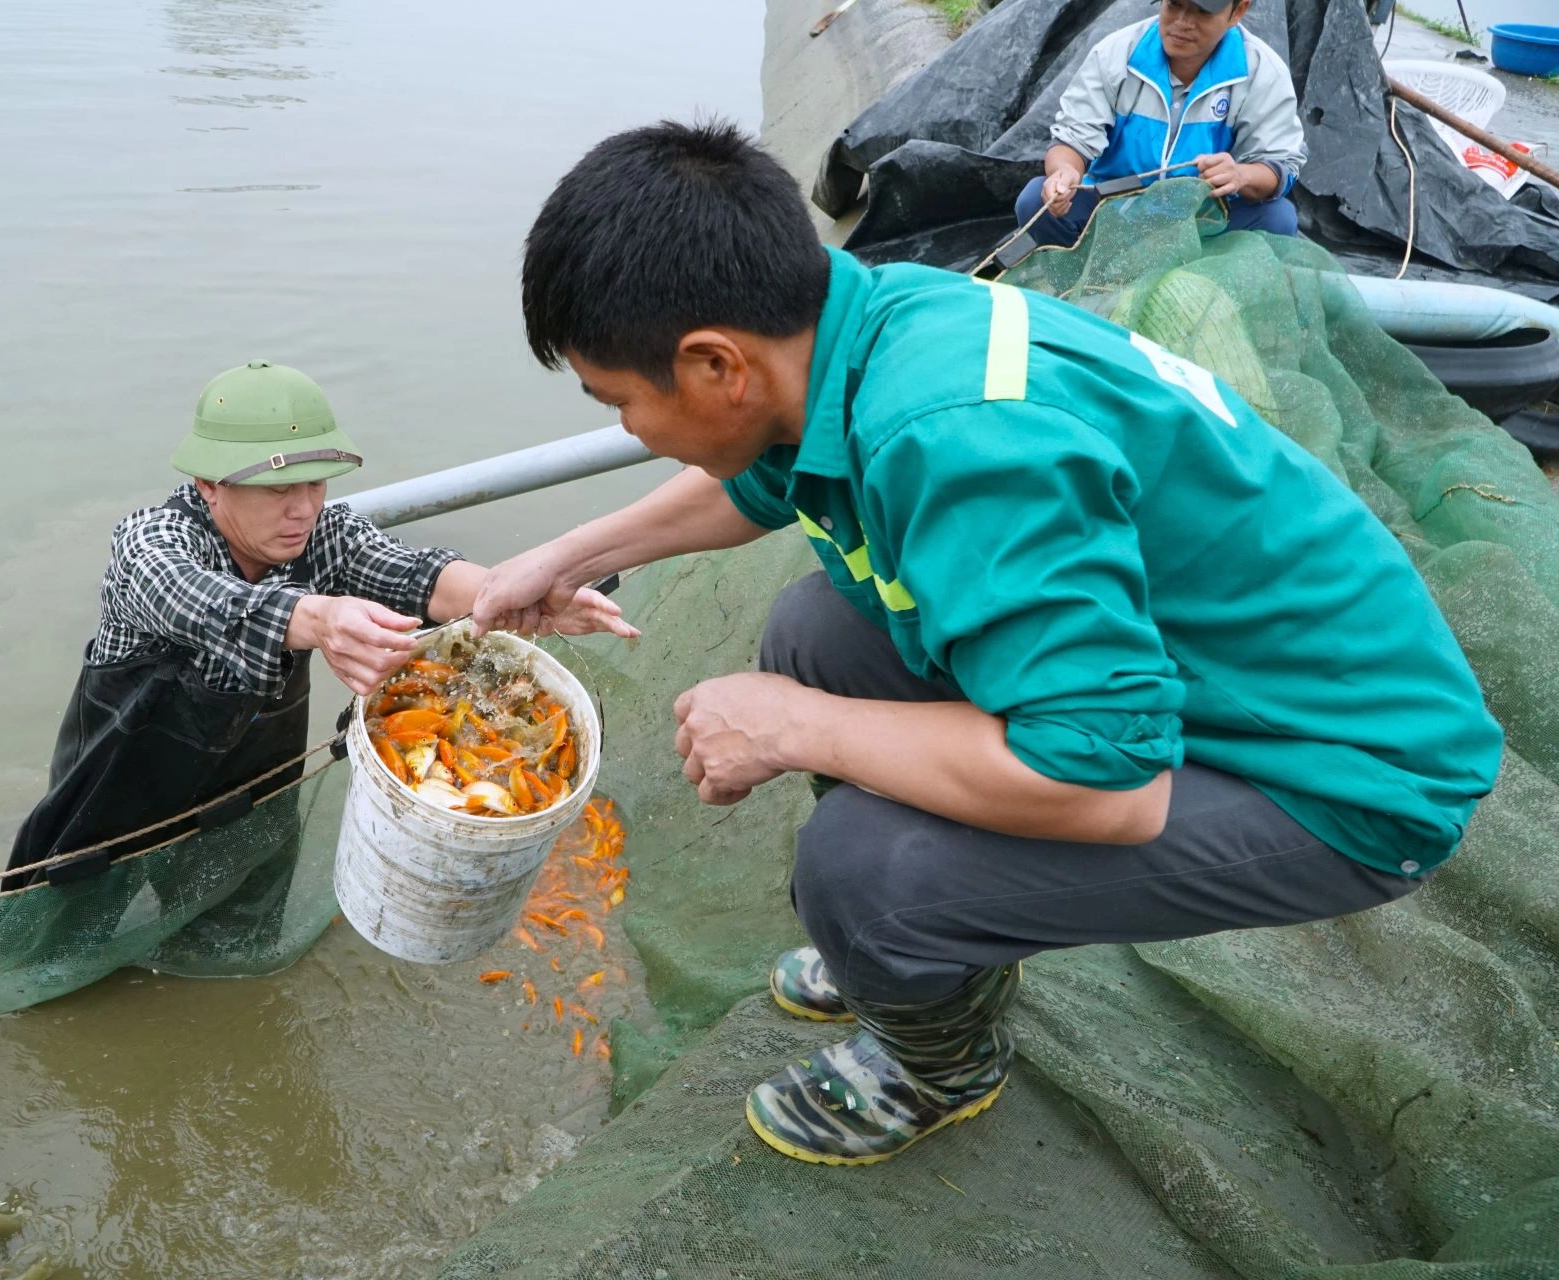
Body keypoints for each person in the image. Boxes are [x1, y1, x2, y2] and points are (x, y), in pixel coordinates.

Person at [474, 121, 1501, 1167]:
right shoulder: (854, 323)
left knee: (860, 872)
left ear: (713, 365)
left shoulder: (956, 436)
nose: (631, 430)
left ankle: (941, 1053)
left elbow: (1113, 786)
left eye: (621, 402)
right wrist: (564, 555)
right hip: (1214, 667)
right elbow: (755, 477)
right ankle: (938, 939)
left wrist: (802, 727)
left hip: (1350, 771)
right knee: (813, 630)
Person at [1, 360, 632, 895]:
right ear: (209, 486)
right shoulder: (153, 543)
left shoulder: (322, 534)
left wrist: (531, 596)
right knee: (63, 924)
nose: (302, 509)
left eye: (313, 484)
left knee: (239, 916)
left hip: (250, 796)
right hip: (114, 794)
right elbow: (199, 601)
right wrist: (322, 618)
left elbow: (420, 577)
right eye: (276, 490)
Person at [1016, 0, 1306, 248]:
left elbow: (1279, 165)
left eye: (1201, 11)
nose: (1182, 22)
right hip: (1114, 213)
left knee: (1277, 218)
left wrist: (1241, 175)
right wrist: (1065, 172)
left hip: (1204, 222)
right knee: (1035, 203)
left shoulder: (1261, 72)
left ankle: (1203, 286)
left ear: (1238, 11)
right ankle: (1091, 284)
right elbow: (1071, 140)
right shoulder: (1116, 54)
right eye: (1174, 4)